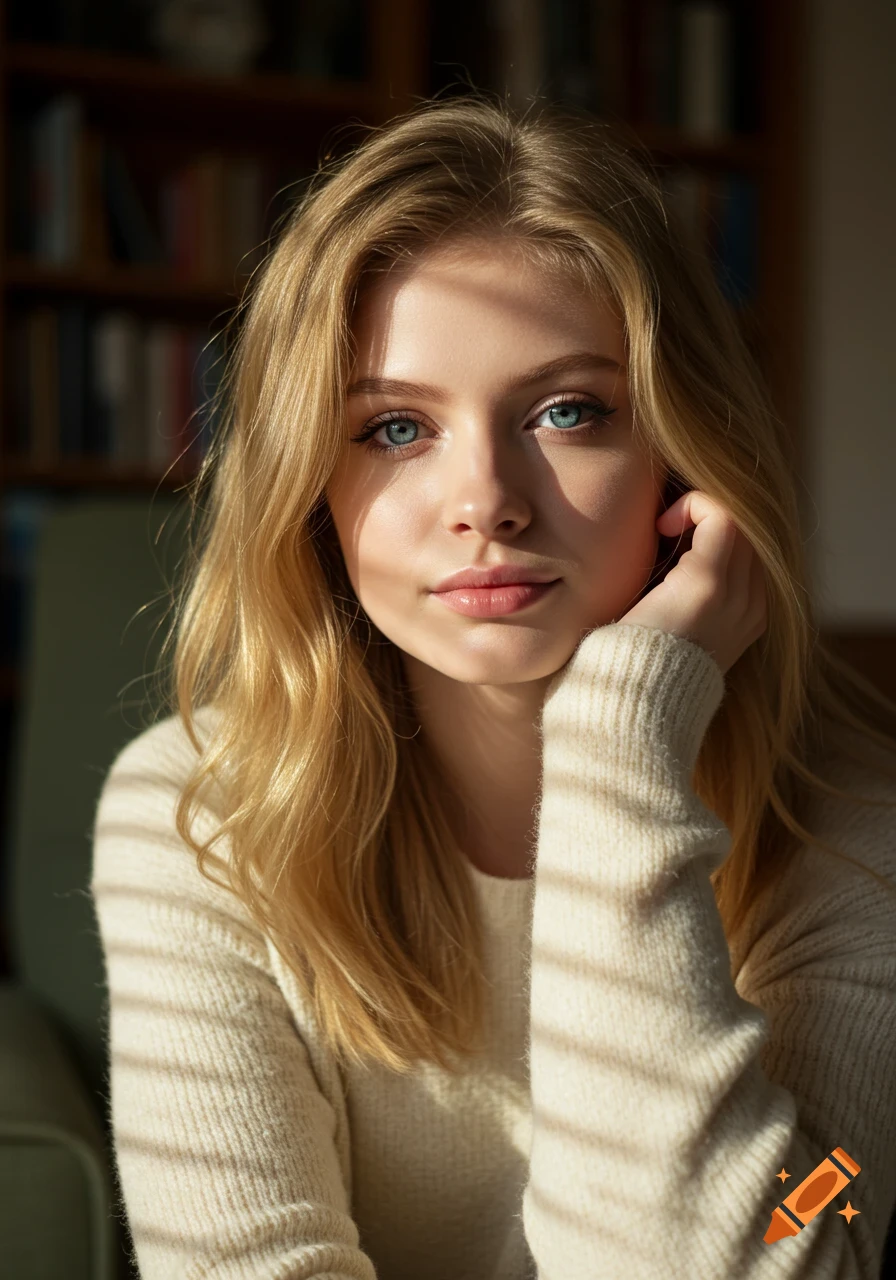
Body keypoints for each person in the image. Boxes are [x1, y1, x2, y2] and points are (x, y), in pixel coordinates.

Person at [89, 92, 896, 1279]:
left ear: (684, 449)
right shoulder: (197, 810)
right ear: (309, 483)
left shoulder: (857, 836)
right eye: (394, 429)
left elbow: (794, 1240)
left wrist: (621, 742)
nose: (486, 500)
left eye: (567, 410)